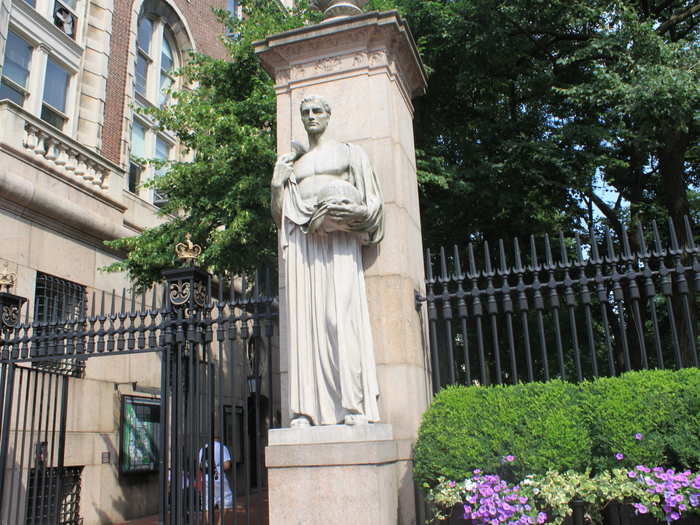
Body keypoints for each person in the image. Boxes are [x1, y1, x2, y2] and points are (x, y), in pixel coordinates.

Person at [271, 95, 384, 427]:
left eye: (317, 111)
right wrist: (277, 185)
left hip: (340, 242)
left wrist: (357, 212)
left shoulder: (350, 154)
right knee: (304, 326)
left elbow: (373, 202)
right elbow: (280, 215)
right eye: (305, 112)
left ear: (329, 115)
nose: (310, 117)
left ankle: (353, 404)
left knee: (339, 319)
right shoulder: (293, 163)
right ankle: (305, 410)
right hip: (305, 243)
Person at [198, 436, 233, 525]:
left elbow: (200, 466)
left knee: (207, 502)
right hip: (217, 476)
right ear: (218, 438)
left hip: (205, 478)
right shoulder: (221, 447)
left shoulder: (202, 449)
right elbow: (227, 465)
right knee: (226, 499)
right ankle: (219, 523)